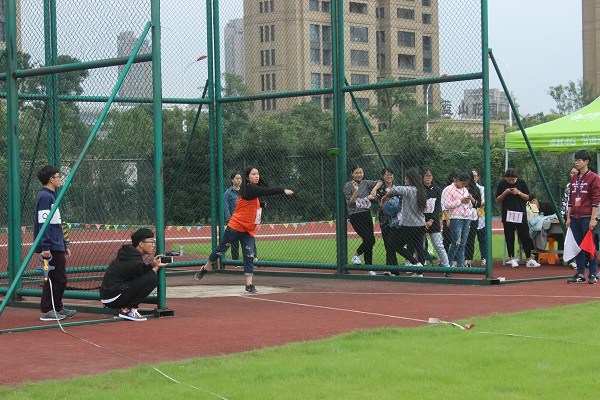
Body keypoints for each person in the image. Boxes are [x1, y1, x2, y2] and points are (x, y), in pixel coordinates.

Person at [195, 167, 294, 293]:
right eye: (254, 174)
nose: (257, 176)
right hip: (235, 227)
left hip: (248, 230)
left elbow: (250, 202)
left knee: (249, 256)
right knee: (221, 250)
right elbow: (266, 190)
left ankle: (249, 285)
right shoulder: (249, 188)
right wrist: (282, 190)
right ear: (247, 177)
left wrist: (261, 204)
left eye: (258, 174)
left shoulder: (251, 191)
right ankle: (205, 267)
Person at [34, 165, 76, 322]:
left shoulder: (52, 196)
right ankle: (47, 310)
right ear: (51, 179)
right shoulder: (46, 197)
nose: (60, 179)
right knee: (58, 279)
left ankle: (57, 307)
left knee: (56, 278)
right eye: (58, 177)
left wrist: (63, 244)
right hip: (50, 245)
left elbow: (56, 224)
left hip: (56, 243)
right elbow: (43, 223)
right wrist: (45, 246)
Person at [100, 229, 168, 321]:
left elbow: (140, 273)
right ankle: (128, 310)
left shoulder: (130, 254)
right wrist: (156, 267)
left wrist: (152, 265)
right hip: (113, 297)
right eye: (151, 242)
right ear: (141, 244)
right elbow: (144, 278)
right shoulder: (134, 260)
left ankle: (122, 309)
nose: (154, 245)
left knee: (149, 278)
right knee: (152, 279)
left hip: (110, 296)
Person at [381, 167, 428, 276]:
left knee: (393, 245)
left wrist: (386, 196)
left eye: (406, 178)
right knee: (419, 248)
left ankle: (414, 262)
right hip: (420, 224)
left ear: (410, 179)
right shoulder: (421, 190)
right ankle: (420, 272)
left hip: (409, 225)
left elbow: (395, 189)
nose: (404, 180)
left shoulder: (409, 189)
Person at [566, 150, 600, 284]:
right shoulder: (574, 178)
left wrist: (593, 218)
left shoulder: (594, 178)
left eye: (579, 160)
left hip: (587, 217)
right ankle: (580, 274)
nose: (576, 162)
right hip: (574, 217)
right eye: (575, 160)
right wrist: (568, 217)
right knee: (577, 246)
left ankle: (592, 274)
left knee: (590, 246)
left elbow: (596, 199)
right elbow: (571, 198)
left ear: (586, 162)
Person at [495, 168, 540, 268]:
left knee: (525, 236)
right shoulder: (502, 184)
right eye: (509, 179)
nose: (511, 181)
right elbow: (498, 199)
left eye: (513, 179)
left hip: (520, 213)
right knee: (509, 236)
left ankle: (529, 258)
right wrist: (505, 192)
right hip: (508, 214)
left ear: (516, 178)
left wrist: (518, 192)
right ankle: (511, 258)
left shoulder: (521, 182)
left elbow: (527, 197)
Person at [344, 166, 378, 265]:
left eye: (360, 172)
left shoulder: (366, 183)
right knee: (370, 239)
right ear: (352, 174)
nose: (359, 175)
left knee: (369, 242)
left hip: (366, 214)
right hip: (355, 215)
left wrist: (374, 190)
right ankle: (356, 255)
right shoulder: (348, 186)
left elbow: (379, 182)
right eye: (356, 173)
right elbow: (351, 202)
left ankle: (369, 267)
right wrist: (356, 190)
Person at [370, 167, 401, 267]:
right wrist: (381, 203)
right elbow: (374, 198)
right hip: (384, 219)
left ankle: (391, 267)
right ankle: (392, 267)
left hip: (396, 219)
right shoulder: (380, 188)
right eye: (387, 174)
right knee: (387, 243)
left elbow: (401, 200)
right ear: (382, 176)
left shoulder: (397, 187)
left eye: (391, 174)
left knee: (393, 242)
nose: (389, 176)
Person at [442, 171, 472, 269]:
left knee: (463, 243)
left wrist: (468, 201)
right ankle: (449, 264)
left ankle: (460, 264)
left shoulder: (465, 190)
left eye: (465, 184)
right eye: (462, 183)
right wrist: (460, 201)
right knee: (456, 242)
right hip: (456, 217)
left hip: (466, 217)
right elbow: (447, 205)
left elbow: (469, 205)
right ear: (457, 180)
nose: (463, 186)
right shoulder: (449, 189)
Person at [422, 168, 450, 272]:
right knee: (420, 245)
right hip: (421, 221)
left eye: (430, 175)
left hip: (433, 221)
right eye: (426, 175)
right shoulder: (419, 189)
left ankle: (447, 267)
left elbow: (438, 207)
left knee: (438, 245)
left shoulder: (437, 190)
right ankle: (420, 266)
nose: (428, 177)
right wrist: (423, 221)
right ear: (422, 177)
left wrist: (431, 220)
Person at [464, 170, 483, 268]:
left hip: (473, 217)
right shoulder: (459, 188)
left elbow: (478, 204)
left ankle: (468, 261)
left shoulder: (476, 189)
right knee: (461, 239)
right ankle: (459, 260)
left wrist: (471, 198)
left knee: (471, 239)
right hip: (462, 216)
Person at [224, 172, 242, 262]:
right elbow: (226, 207)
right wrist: (229, 220)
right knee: (234, 241)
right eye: (237, 178)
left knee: (248, 239)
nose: (239, 180)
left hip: (245, 220)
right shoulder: (228, 193)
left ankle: (252, 258)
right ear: (232, 180)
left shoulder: (244, 191)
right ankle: (235, 261)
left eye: (240, 178)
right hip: (234, 221)